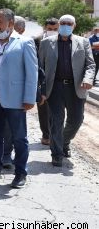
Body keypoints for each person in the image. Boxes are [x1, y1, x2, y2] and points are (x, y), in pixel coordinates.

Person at [0, 9, 37, 188]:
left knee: (19, 138)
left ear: (11, 23)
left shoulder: (24, 43)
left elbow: (32, 73)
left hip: (15, 100)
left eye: (0, 22)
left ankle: (20, 173)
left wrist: (29, 98)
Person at [39, 15, 95, 167]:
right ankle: (56, 153)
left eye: (68, 23)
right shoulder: (46, 43)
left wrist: (88, 79)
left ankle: (64, 142)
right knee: (56, 121)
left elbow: (90, 65)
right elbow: (40, 68)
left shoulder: (83, 42)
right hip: (54, 87)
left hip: (76, 87)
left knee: (76, 120)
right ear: (58, 24)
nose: (65, 25)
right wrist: (41, 90)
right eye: (62, 23)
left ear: (74, 26)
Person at [0, 15, 27, 169]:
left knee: (18, 133)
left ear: (21, 29)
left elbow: (35, 72)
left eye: (12, 27)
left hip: (18, 97)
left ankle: (20, 167)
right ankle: (5, 155)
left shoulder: (26, 43)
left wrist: (31, 97)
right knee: (4, 129)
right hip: (0, 96)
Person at [37, 18, 59, 145]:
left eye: (55, 29)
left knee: (56, 110)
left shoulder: (62, 40)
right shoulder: (37, 40)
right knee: (43, 109)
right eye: (50, 29)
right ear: (45, 28)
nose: (52, 31)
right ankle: (46, 135)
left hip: (57, 80)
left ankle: (56, 135)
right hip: (42, 80)